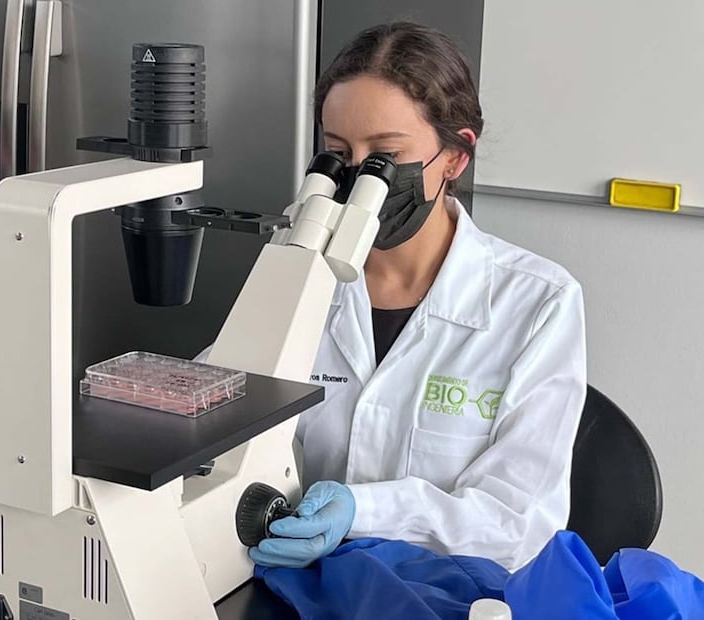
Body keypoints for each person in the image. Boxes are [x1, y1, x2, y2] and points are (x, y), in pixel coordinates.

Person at [246, 22, 587, 572]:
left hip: (449, 597)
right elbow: (215, 408)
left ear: (455, 158)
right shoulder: (297, 271)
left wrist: (365, 512)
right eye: (339, 154)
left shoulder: (537, 303)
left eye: (385, 156)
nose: (360, 178)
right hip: (291, 583)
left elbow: (519, 523)